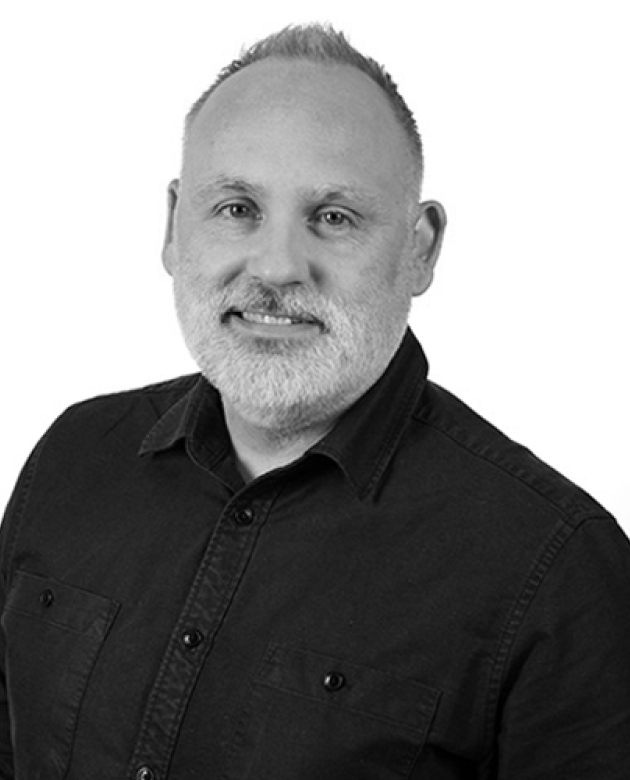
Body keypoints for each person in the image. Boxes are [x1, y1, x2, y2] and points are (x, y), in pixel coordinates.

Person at [1, 23, 629, 780]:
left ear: (420, 248)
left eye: (333, 217)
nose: (276, 267)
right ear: (173, 225)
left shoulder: (557, 569)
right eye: (237, 207)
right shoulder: (75, 457)